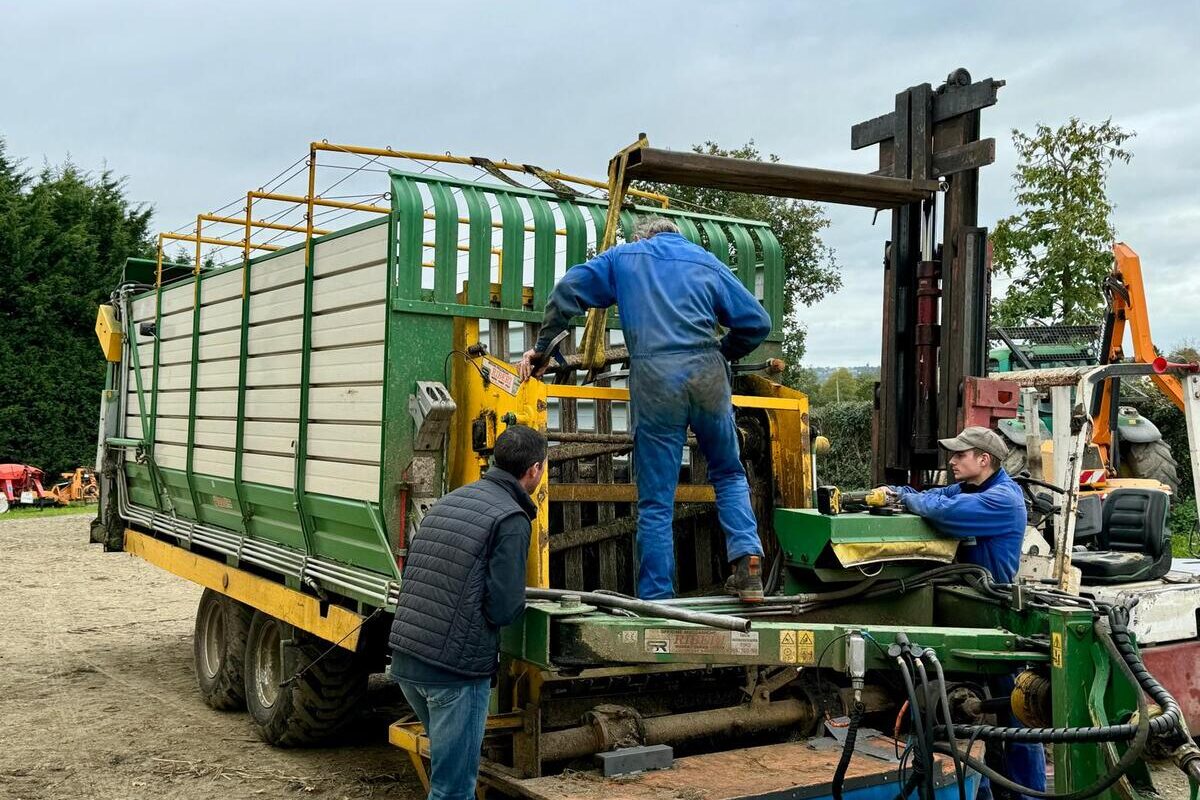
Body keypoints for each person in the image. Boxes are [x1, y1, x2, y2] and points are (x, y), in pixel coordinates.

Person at [518, 217, 772, 602]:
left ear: (642, 237)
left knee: (657, 498)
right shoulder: (704, 260)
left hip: (656, 380)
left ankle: (657, 598)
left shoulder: (624, 258)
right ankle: (748, 562)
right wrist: (724, 352)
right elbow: (757, 322)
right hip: (708, 374)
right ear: (676, 235)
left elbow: (568, 288)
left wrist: (545, 345)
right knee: (728, 472)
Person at [881, 425, 1045, 800]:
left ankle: (1028, 795)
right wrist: (899, 494)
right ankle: (983, 792)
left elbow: (944, 511)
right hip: (965, 609)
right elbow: (935, 496)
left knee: (1015, 717)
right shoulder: (973, 487)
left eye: (959, 455)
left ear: (983, 460)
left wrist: (909, 500)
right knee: (968, 718)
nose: (952, 461)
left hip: (994, 614)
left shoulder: (1001, 498)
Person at [388, 425, 547, 800]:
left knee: (448, 777)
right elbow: (504, 607)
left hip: (408, 660)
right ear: (534, 470)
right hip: (454, 673)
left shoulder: (450, 500)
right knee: (453, 788)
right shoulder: (511, 518)